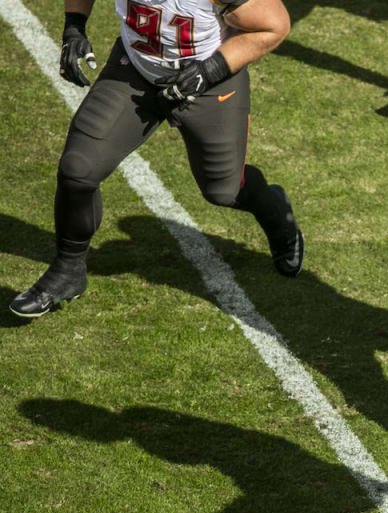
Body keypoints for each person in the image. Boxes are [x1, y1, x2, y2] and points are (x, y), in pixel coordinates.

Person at [9, 0, 304, 319]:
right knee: (78, 170)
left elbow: (274, 25)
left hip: (209, 82)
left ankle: (275, 213)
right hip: (136, 70)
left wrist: (208, 71)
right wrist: (74, 27)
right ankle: (67, 271)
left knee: (224, 190)